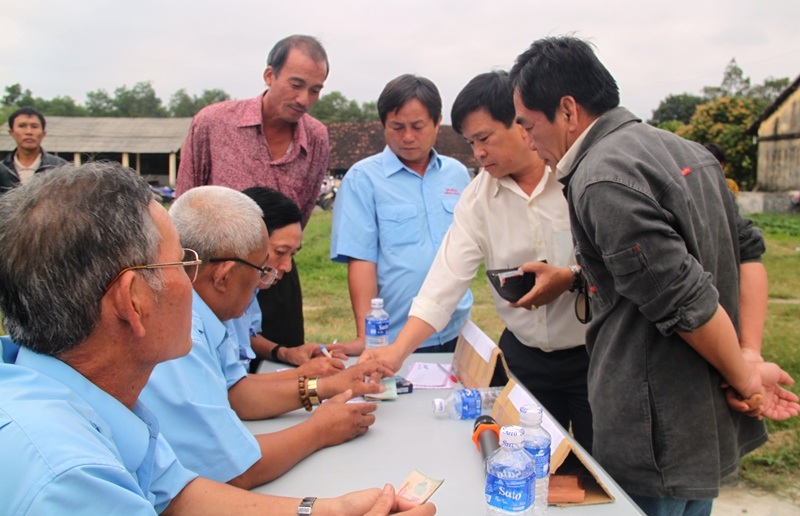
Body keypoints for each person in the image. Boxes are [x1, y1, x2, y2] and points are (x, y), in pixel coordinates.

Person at [0, 162, 434, 515]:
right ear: (134, 301)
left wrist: (328, 511)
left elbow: (177, 494)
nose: (195, 280)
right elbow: (223, 473)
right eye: (181, 264)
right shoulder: (71, 483)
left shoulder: (85, 394)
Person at [510, 36, 799, 515]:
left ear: (567, 110)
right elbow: (747, 252)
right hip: (699, 417)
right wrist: (747, 353)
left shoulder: (600, 176)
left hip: (653, 425)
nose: (528, 140)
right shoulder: (687, 152)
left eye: (529, 124)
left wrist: (746, 379)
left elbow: (684, 301)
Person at [359, 71, 593, 452]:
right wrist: (396, 352)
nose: (478, 153)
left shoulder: (579, 181)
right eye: (470, 142)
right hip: (524, 358)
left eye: (484, 139)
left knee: (600, 471)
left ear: (521, 124)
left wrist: (570, 278)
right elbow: (444, 284)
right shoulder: (477, 198)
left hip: (593, 357)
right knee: (526, 463)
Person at [139, 185, 392, 489]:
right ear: (223, 276)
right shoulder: (178, 336)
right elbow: (233, 469)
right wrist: (320, 429)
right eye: (263, 269)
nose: (270, 277)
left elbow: (236, 394)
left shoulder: (200, 315)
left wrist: (325, 386)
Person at [176, 35, 330, 356]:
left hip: (279, 272)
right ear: (269, 75)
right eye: (296, 84)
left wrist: (278, 256)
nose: (304, 98)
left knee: (286, 360)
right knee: (222, 369)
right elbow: (185, 203)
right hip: (219, 279)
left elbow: (303, 208)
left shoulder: (316, 136)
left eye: (315, 90)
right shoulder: (213, 123)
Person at [330, 74, 472, 355]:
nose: (407, 137)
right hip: (397, 338)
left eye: (417, 126)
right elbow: (361, 260)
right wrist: (366, 337)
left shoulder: (456, 174)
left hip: (457, 329)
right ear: (384, 125)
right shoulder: (363, 179)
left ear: (436, 122)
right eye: (397, 127)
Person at [231, 186, 337, 374]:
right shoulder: (203, 306)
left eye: (293, 254)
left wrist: (286, 353)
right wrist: (312, 385)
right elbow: (234, 390)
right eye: (280, 252)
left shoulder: (249, 288)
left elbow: (247, 335)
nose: (287, 267)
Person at [1, 106, 69, 193]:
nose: (29, 132)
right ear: (11, 133)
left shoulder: (61, 168)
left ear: (43, 133)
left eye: (34, 126)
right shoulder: (2, 170)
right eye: (22, 126)